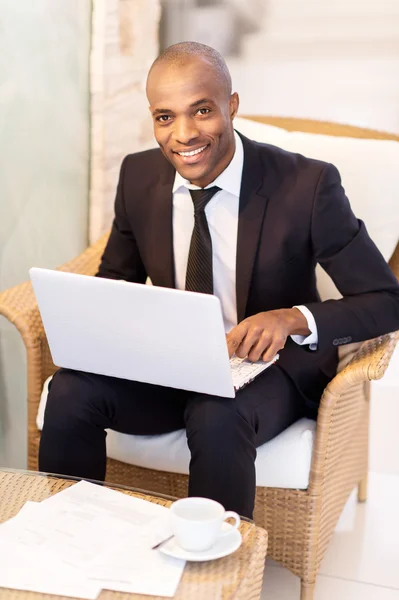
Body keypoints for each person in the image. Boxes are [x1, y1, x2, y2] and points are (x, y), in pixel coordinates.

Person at [39, 42, 399, 519]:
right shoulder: (138, 176)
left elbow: (386, 300)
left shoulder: (307, 186)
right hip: (172, 362)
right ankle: (65, 543)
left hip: (270, 370)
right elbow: (115, 282)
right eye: (165, 117)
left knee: (217, 414)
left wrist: (293, 318)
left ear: (231, 105)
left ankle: (214, 573)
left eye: (202, 111)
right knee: (69, 392)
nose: (183, 134)